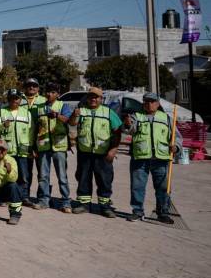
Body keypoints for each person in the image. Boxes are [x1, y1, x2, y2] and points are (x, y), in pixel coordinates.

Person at [126, 93, 180, 224]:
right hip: (140, 158)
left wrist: (176, 147)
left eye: (153, 102)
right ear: (143, 103)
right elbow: (130, 130)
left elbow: (176, 136)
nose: (150, 104)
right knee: (137, 187)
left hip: (161, 159)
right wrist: (128, 124)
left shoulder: (166, 118)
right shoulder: (136, 116)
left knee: (163, 187)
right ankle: (137, 212)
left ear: (158, 103)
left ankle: (163, 212)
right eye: (147, 102)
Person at [70, 87, 121, 217]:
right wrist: (74, 116)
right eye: (91, 97)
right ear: (87, 98)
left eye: (96, 97)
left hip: (103, 154)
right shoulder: (81, 111)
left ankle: (105, 206)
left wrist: (113, 149)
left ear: (101, 99)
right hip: (84, 152)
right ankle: (84, 204)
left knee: (104, 180)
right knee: (83, 178)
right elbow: (72, 124)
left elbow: (117, 131)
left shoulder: (109, 112)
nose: (93, 99)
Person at [33, 82, 71, 212]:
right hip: (43, 146)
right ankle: (44, 200)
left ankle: (65, 202)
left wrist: (57, 115)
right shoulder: (39, 108)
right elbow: (35, 128)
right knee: (43, 175)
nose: (49, 94)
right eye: (48, 92)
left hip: (59, 146)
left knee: (62, 175)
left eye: (53, 92)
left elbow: (68, 120)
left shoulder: (63, 106)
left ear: (58, 94)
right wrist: (34, 146)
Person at [0, 89, 35, 206]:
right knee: (6, 174)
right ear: (8, 99)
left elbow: (31, 131)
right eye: (12, 98)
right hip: (7, 150)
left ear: (20, 99)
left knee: (24, 175)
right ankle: (5, 198)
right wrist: (3, 125)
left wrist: (31, 147)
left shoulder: (26, 113)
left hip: (23, 149)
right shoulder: (1, 112)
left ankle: (24, 197)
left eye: (16, 98)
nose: (14, 100)